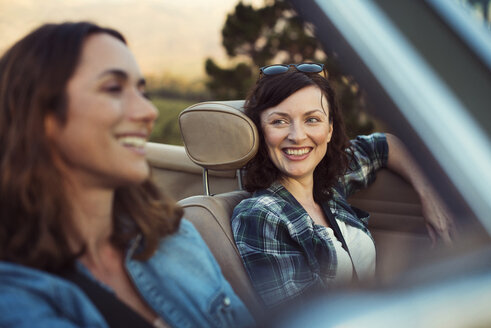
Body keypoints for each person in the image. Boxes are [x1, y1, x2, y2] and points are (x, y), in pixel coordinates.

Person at [0, 22, 254, 328]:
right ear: (41, 117)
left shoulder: (172, 238)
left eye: (142, 91)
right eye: (114, 88)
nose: (149, 111)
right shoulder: (14, 294)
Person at [231, 63, 455, 309]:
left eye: (312, 119)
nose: (297, 135)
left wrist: (427, 193)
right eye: (280, 122)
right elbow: (305, 321)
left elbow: (384, 145)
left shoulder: (329, 185)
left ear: (329, 130)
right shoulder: (261, 215)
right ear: (259, 132)